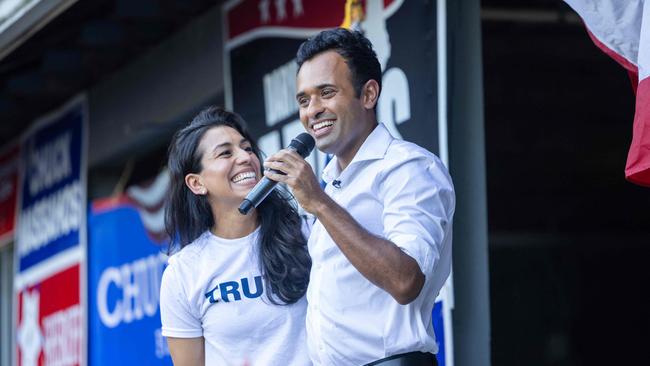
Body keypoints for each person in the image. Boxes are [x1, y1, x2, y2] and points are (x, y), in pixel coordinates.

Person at [264, 28, 455, 365]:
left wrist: (319, 203)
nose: (313, 110)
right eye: (304, 100)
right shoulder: (330, 183)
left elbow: (405, 280)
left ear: (368, 95)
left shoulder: (408, 167)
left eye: (326, 92)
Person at [159, 106, 312, 366]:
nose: (245, 157)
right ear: (197, 183)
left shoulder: (306, 232)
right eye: (225, 153)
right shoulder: (184, 272)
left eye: (248, 148)